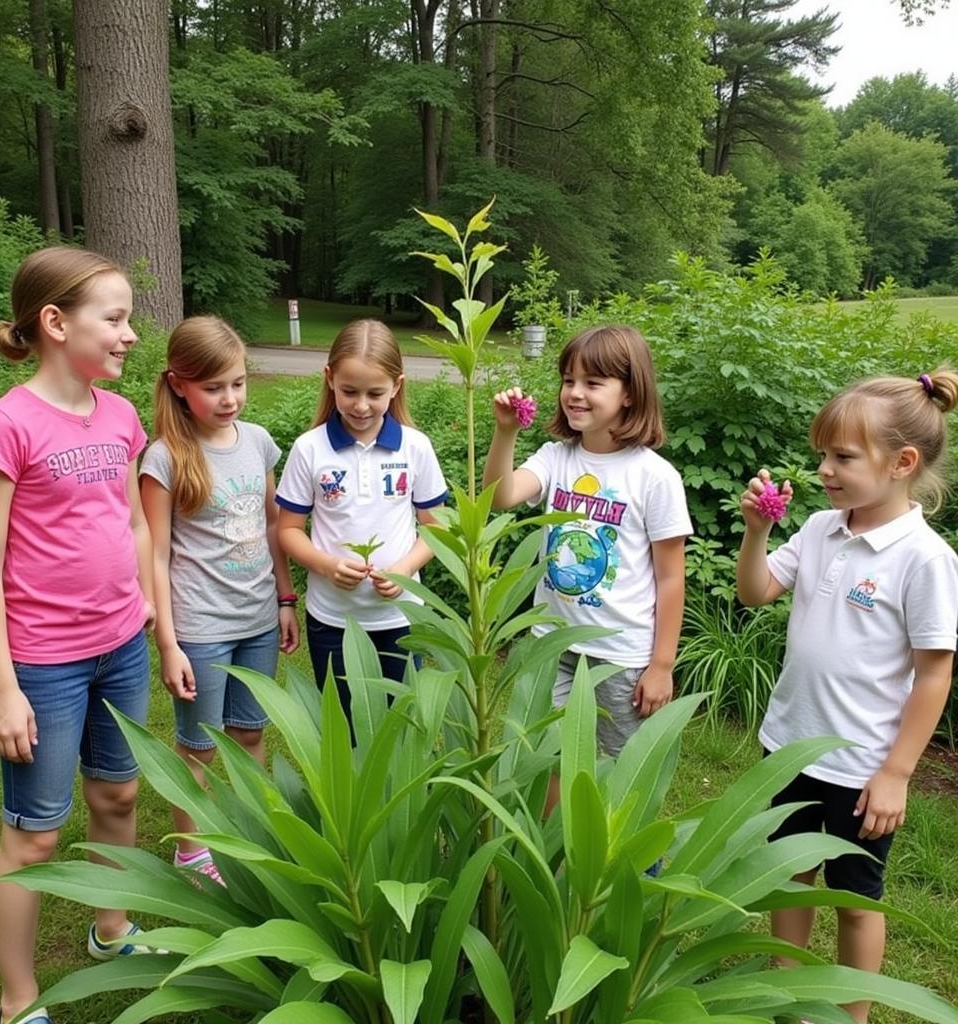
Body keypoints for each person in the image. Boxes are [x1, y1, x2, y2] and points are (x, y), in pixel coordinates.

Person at [0, 247, 156, 1024]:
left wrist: (142, 599)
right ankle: (18, 1001)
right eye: (114, 318)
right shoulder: (5, 423)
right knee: (34, 839)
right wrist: (1, 687)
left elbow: (135, 519)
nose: (129, 335)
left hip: (122, 647)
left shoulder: (121, 416)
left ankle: (112, 929)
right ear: (54, 322)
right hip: (43, 662)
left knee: (119, 792)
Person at [736, 370, 958, 1024]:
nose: (825, 469)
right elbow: (755, 593)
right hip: (791, 747)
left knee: (857, 897)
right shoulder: (819, 528)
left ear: (902, 463)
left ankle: (851, 1014)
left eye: (842, 457)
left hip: (863, 768)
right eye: (823, 455)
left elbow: (935, 673)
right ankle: (787, 997)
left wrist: (896, 773)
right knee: (790, 876)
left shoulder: (923, 559)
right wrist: (756, 532)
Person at [483, 325, 692, 781]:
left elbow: (671, 578)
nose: (575, 394)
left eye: (593, 383)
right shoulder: (556, 457)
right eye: (568, 381)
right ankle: (557, 850)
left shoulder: (655, 477)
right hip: (551, 644)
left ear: (630, 394)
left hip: (621, 654)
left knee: (624, 770)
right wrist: (505, 433)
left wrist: (661, 664)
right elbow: (500, 496)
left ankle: (628, 857)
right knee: (548, 759)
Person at [140, 315, 299, 882]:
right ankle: (191, 851)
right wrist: (168, 644)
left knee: (250, 732)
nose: (229, 398)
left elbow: (274, 521)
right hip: (200, 626)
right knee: (200, 745)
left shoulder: (257, 442)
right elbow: (154, 555)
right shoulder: (164, 458)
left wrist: (285, 599)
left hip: (258, 618)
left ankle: (248, 836)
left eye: (237, 383)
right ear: (179, 384)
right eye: (213, 387)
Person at [276, 319, 447, 718]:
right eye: (350, 391)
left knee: (402, 723)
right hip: (332, 620)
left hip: (401, 618)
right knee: (343, 725)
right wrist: (327, 565)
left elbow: (437, 526)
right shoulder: (310, 449)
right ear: (329, 379)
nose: (361, 405)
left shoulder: (415, 447)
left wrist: (404, 569)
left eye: (376, 393)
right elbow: (287, 530)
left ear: (397, 386)